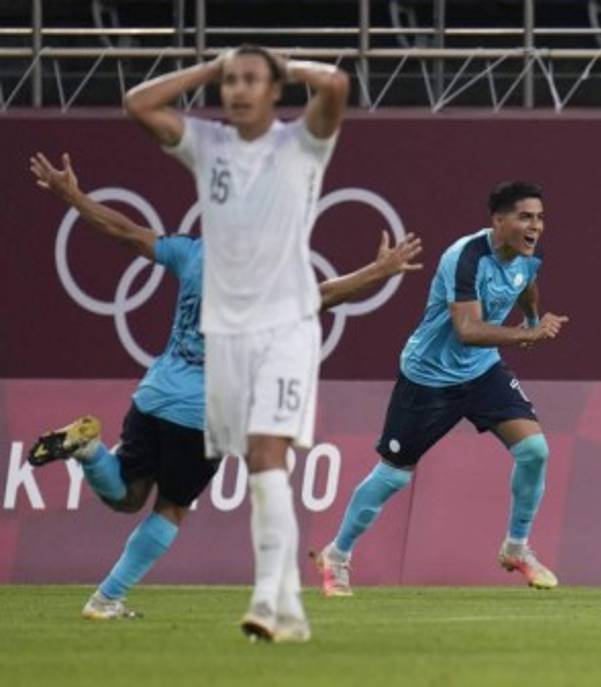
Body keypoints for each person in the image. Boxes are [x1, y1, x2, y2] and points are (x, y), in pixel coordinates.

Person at [27, 151, 421, 622]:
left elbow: (124, 231)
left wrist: (72, 195)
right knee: (171, 509)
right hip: (203, 414)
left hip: (153, 395)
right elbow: (329, 294)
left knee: (127, 496)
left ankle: (88, 452)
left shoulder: (193, 253)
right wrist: (380, 270)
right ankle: (106, 599)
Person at [122, 44, 350, 641]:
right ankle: (292, 609)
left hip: (287, 327)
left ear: (273, 89)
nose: (239, 90)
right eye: (231, 81)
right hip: (226, 334)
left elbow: (337, 87)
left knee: (268, 453)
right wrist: (209, 67)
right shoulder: (209, 145)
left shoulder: (302, 144)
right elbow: (137, 102)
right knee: (256, 467)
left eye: (252, 80)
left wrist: (286, 66)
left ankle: (265, 601)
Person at [314, 181, 568, 596]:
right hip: (428, 377)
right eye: (525, 217)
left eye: (539, 218)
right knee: (394, 476)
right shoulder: (465, 257)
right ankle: (337, 555)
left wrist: (534, 318)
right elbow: (466, 330)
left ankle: (516, 547)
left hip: (482, 372)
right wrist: (527, 336)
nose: (535, 226)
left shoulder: (530, 254)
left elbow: (527, 283)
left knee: (534, 451)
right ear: (498, 220)